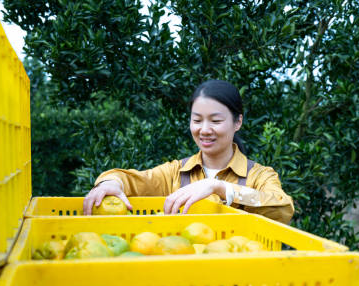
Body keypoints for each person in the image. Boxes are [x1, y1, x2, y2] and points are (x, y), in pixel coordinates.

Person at [82, 79, 294, 224]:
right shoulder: (175, 172)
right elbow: (131, 180)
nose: (204, 130)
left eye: (216, 121)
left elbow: (283, 208)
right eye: (197, 120)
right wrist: (110, 183)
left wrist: (218, 187)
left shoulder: (259, 175)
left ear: (238, 122)